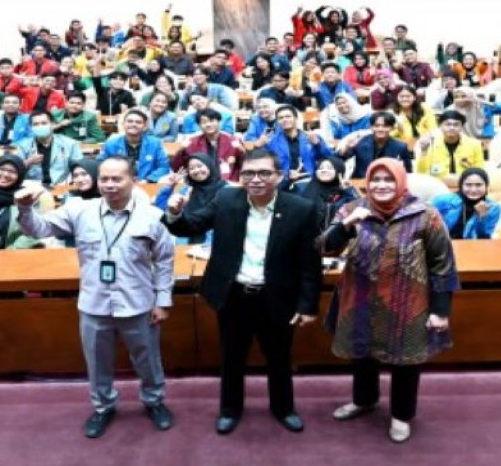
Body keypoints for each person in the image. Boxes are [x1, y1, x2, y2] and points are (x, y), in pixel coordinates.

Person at [162, 150, 323, 435]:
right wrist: (175, 212)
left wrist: (308, 305)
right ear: (240, 177)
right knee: (232, 357)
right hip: (233, 294)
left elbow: (310, 264)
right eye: (248, 174)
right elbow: (192, 224)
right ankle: (230, 409)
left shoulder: (301, 209)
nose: (256, 179)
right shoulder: (226, 199)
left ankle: (283, 408)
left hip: (277, 296)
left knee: (279, 357)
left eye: (264, 173)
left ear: (279, 176)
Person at [17, 156, 177, 438]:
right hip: (94, 303)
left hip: (138, 303)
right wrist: (25, 209)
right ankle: (103, 406)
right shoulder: (79, 210)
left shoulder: (152, 216)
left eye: (117, 179)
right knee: (97, 361)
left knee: (148, 359)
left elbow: (164, 260)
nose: (110, 185)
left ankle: (154, 401)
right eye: (104, 179)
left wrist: (162, 300)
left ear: (133, 181)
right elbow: (38, 229)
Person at [318, 159, 455, 443]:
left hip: (408, 302)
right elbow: (323, 247)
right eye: (375, 180)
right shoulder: (351, 209)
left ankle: (401, 416)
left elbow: (443, 264)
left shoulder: (425, 215)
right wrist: (346, 225)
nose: (381, 185)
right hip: (360, 298)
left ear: (401, 181)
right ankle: (364, 401)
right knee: (362, 354)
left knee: (406, 361)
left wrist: (441, 310)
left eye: (388, 179)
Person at [154, 154, 225, 244]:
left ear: (209, 166)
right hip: (187, 235)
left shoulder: (224, 188)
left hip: (215, 239)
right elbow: (162, 209)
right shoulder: (187, 190)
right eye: (191, 168)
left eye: (199, 166)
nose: (196, 170)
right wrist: (170, 186)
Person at [286, 156, 359, 230]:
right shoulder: (302, 187)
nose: (324, 170)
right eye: (320, 168)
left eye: (329, 168)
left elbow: (358, 209)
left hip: (333, 236)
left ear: (339, 171)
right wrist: (288, 181)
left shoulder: (344, 193)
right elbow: (279, 198)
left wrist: (347, 189)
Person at [266, 104, 333, 182]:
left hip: (310, 179)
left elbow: (329, 158)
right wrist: (287, 174)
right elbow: (268, 166)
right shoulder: (272, 141)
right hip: (284, 181)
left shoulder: (311, 137)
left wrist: (317, 144)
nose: (284, 120)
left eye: (288, 116)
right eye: (281, 118)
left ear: (295, 118)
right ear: (277, 121)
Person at [335, 111, 412, 178]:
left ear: (392, 128)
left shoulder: (401, 147)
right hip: (362, 181)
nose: (380, 129)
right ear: (371, 127)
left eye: (385, 126)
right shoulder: (361, 141)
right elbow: (340, 159)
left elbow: (407, 171)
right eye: (377, 126)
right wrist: (346, 148)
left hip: (388, 183)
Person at [100, 109, 171, 181]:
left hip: (146, 183)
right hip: (118, 184)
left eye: (138, 122)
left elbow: (164, 167)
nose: (133, 124)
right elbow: (101, 164)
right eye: (130, 121)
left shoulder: (155, 143)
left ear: (145, 126)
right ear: (123, 124)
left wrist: (149, 180)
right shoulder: (111, 144)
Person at [430, 167, 501, 239]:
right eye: (468, 185)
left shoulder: (493, 208)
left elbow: (483, 237)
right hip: (442, 244)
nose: (473, 190)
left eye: (478, 185)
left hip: (473, 246)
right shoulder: (443, 201)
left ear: (486, 186)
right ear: (461, 185)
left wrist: (482, 218)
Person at [15, 111, 83, 186]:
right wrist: (28, 162)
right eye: (35, 124)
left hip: (62, 185)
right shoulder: (23, 145)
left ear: (52, 124)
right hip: (33, 187)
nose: (40, 126)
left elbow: (79, 167)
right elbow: (15, 170)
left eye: (44, 123)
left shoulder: (70, 143)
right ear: (31, 127)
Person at [415, 109, 485, 181]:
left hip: (465, 185)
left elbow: (480, 172)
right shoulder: (430, 144)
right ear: (440, 126)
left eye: (456, 124)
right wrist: (424, 152)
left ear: (461, 127)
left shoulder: (474, 145)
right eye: (448, 124)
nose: (452, 128)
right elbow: (421, 174)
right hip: (438, 185)